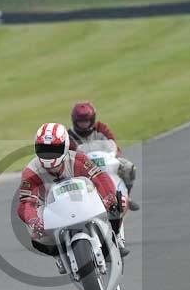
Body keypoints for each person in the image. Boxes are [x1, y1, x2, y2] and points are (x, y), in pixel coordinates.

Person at [17, 123, 129, 272]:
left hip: (85, 200)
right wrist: (33, 220)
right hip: (52, 210)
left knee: (118, 201)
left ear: (65, 147)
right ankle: (58, 254)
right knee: (35, 234)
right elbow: (26, 202)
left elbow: (100, 177)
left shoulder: (78, 159)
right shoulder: (30, 171)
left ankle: (116, 239)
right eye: (43, 149)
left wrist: (109, 198)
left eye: (54, 149)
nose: (49, 155)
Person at [68, 102, 140, 211]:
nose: (83, 125)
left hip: (106, 161)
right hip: (84, 167)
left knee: (129, 167)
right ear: (74, 121)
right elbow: (70, 156)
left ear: (92, 120)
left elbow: (113, 145)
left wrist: (115, 156)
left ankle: (126, 197)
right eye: (80, 122)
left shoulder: (100, 128)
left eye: (86, 121)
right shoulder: (69, 136)